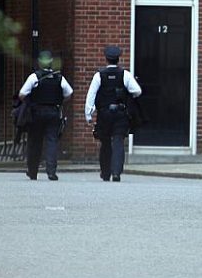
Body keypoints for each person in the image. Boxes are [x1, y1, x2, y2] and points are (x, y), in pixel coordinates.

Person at [85, 44, 142, 182]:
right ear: (118, 58)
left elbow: (91, 95)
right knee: (118, 142)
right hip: (120, 113)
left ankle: (105, 173)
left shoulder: (99, 75)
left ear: (106, 58)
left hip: (104, 113)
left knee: (105, 142)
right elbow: (137, 91)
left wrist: (89, 114)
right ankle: (116, 173)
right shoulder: (125, 75)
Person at [18, 50, 73, 181]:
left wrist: (31, 101)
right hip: (54, 112)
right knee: (52, 141)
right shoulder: (59, 78)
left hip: (36, 112)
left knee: (34, 141)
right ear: (51, 63)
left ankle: (32, 171)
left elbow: (22, 94)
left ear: (39, 62)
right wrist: (58, 101)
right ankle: (51, 171)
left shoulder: (34, 77)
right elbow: (69, 93)